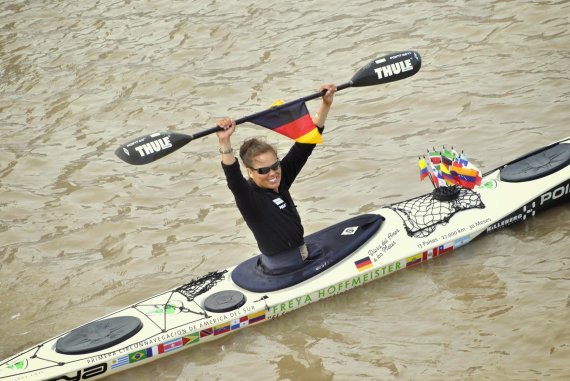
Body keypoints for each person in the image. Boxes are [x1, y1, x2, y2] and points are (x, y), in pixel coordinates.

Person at [216, 83, 336, 274]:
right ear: (250, 172)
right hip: (285, 269)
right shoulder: (249, 198)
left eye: (275, 166)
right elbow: (233, 177)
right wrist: (224, 141)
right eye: (263, 170)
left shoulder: (281, 180)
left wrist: (326, 103)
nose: (272, 173)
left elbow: (306, 144)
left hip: (302, 256)